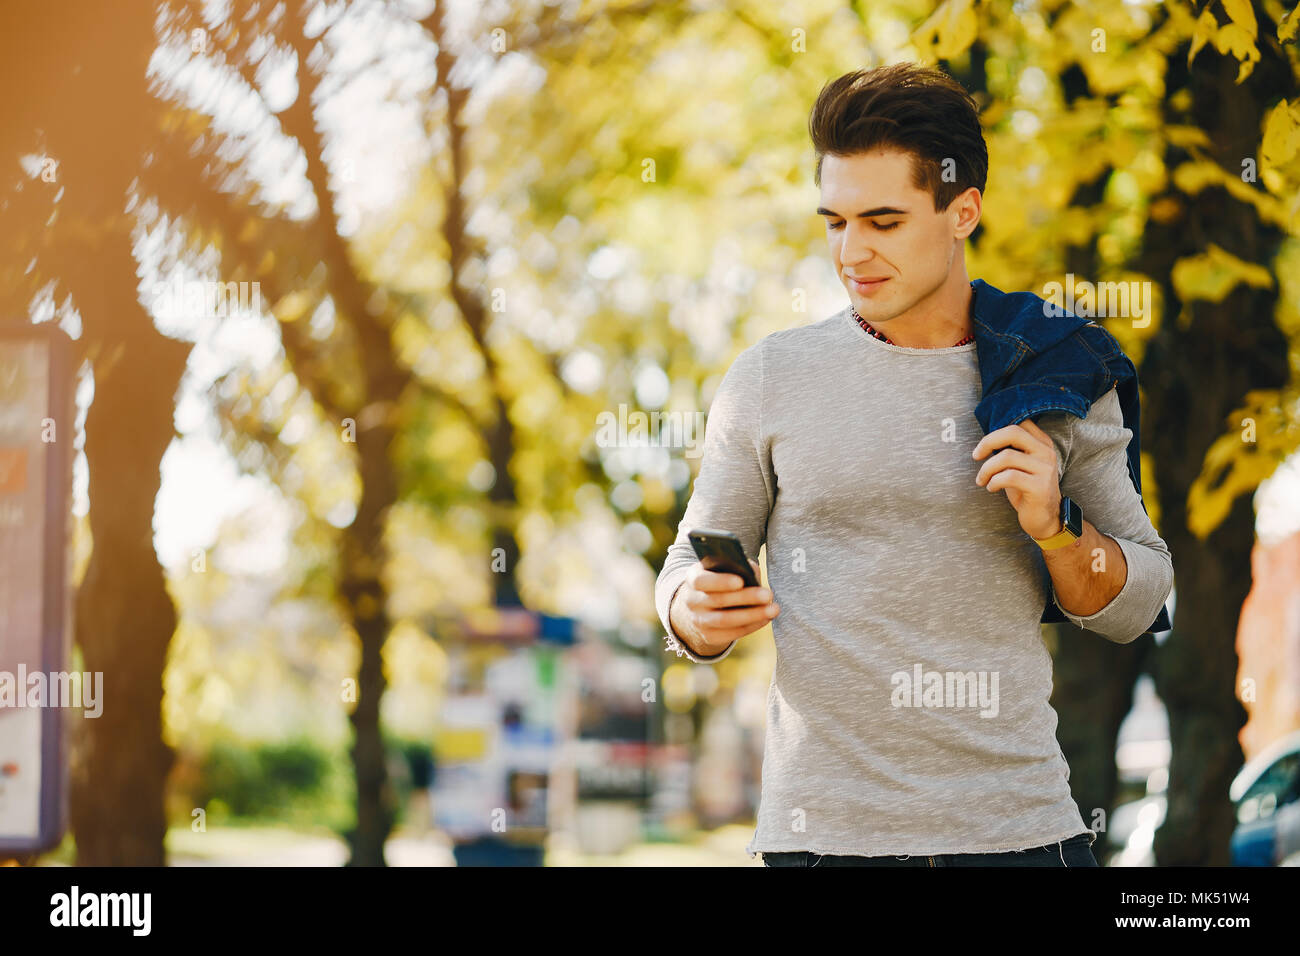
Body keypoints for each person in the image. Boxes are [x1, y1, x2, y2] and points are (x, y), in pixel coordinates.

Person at [654, 62, 1174, 867]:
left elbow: (1137, 599)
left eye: (884, 222)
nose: (851, 252)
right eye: (834, 222)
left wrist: (1059, 531)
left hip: (1021, 834)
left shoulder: (1054, 371)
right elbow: (689, 561)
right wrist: (692, 611)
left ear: (962, 210)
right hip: (823, 840)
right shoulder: (771, 378)